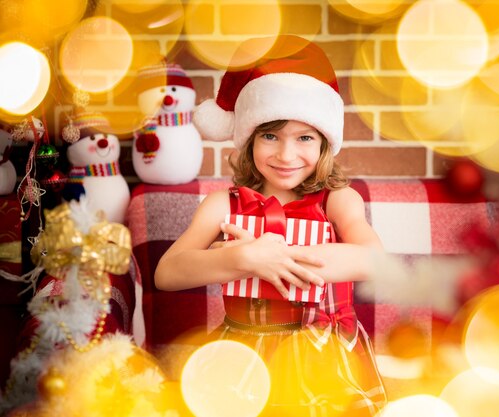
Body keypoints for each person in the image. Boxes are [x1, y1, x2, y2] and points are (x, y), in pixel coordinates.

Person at [155, 35, 387, 417]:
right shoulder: (223, 205)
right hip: (243, 355)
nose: (286, 154)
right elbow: (167, 273)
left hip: (322, 357)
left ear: (324, 143)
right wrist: (245, 257)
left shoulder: (337, 200)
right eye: (269, 136)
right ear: (248, 139)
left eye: (304, 138)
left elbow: (373, 259)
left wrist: (275, 255)